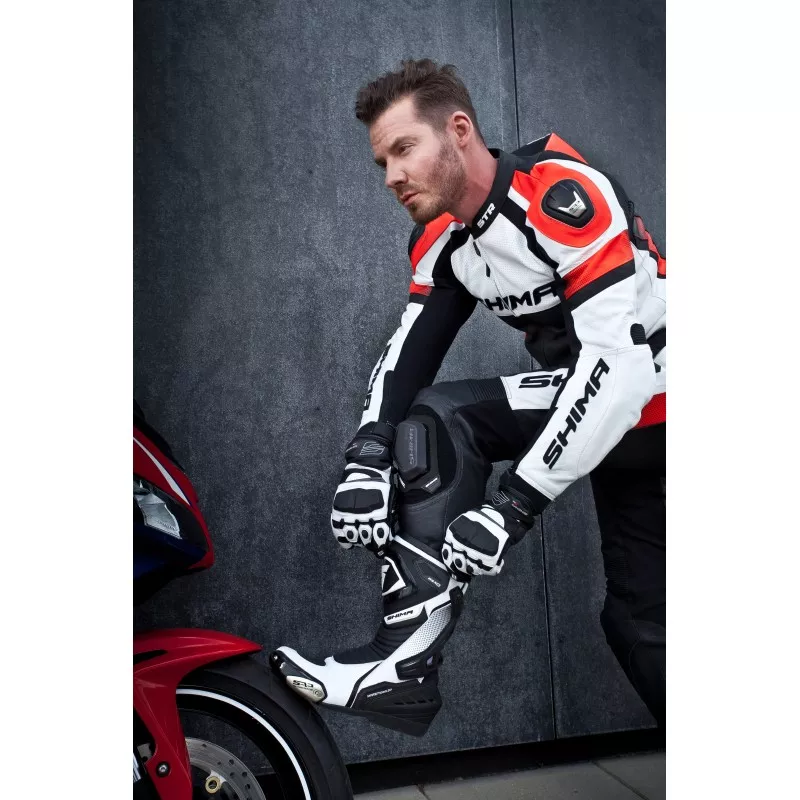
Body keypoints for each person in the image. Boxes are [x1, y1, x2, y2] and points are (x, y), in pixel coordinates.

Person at [271, 58, 666, 736]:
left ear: (459, 131)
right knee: (640, 626)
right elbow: (407, 355)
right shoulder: (442, 240)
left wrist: (512, 506)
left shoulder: (559, 193)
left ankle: (403, 658)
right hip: (619, 429)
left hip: (656, 394)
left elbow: (620, 370)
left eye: (405, 148)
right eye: (382, 162)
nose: (392, 175)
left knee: (449, 417)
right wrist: (366, 456)